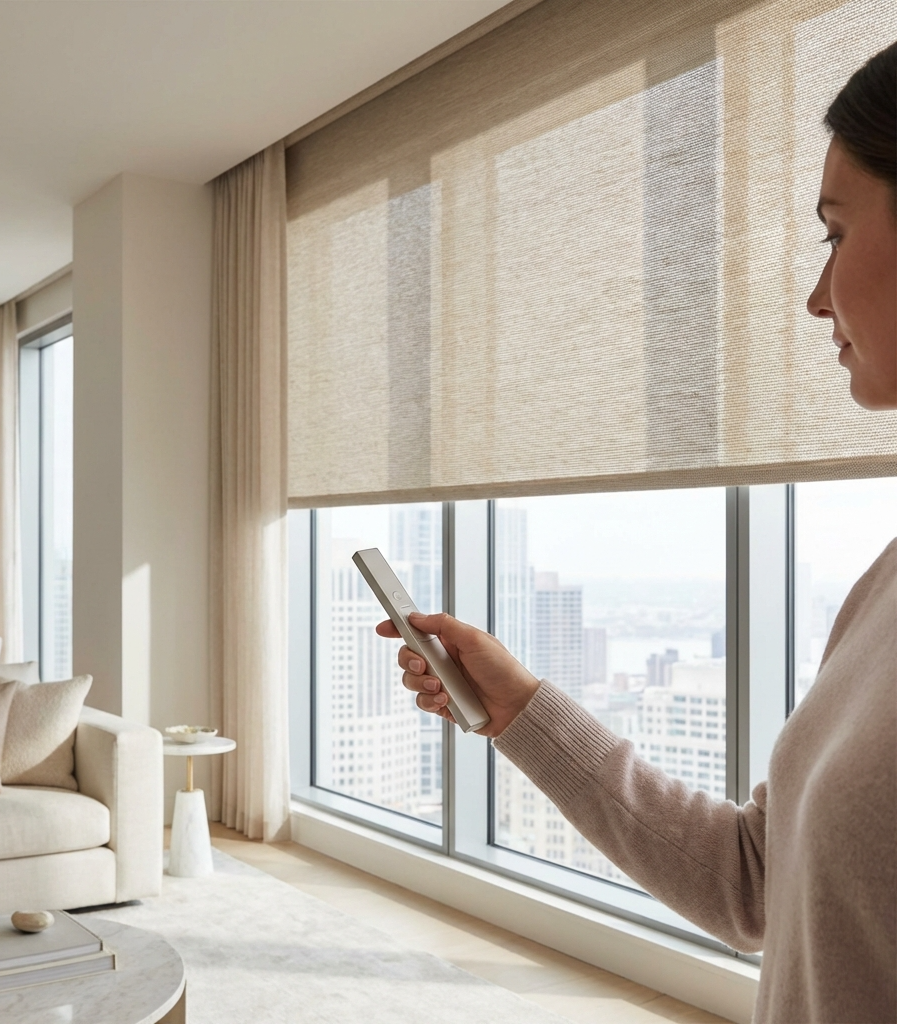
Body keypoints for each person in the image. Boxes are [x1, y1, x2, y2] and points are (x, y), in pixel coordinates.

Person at [378, 42, 896, 1024]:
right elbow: (753, 883)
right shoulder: (883, 583)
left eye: (833, 234)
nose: (814, 296)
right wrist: (520, 707)